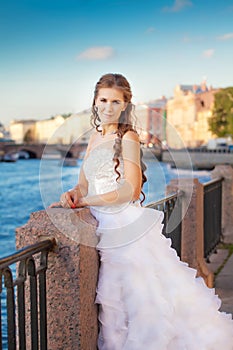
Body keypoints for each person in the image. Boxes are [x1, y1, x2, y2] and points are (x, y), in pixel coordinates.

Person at [50, 73, 233, 349]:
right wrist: (74, 194)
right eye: (103, 100)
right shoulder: (94, 138)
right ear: (95, 102)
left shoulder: (129, 137)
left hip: (124, 226)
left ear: (125, 105)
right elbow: (84, 184)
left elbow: (131, 190)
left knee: (141, 300)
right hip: (105, 226)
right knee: (115, 302)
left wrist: (88, 202)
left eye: (115, 101)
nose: (108, 107)